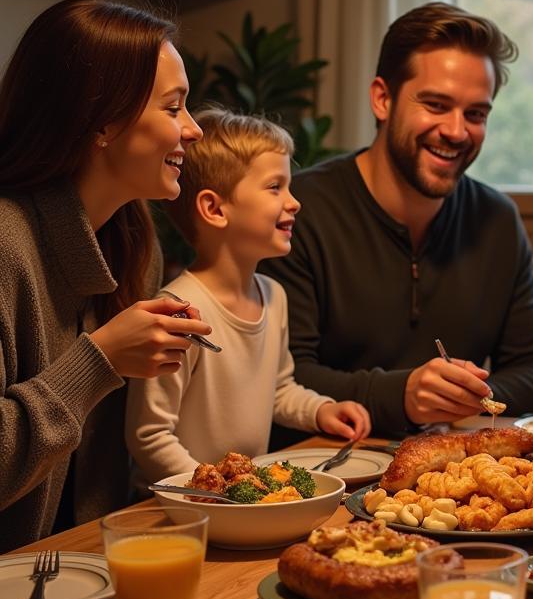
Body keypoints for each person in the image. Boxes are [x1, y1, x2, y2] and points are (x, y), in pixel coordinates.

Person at [259, 1, 533, 439]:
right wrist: (402, 395)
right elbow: (282, 376)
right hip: (322, 479)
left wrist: (465, 394)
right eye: (436, 105)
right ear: (382, 99)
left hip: (454, 486)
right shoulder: (298, 209)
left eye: (475, 114)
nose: (457, 131)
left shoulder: (496, 220)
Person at [0, 0, 213, 551]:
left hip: (88, 560)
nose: (193, 130)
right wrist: (98, 361)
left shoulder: (132, 245)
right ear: (101, 123)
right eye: (173, 108)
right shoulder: (6, 245)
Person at [126, 107, 371, 484]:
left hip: (245, 502)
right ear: (214, 208)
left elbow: (279, 390)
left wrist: (321, 410)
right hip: (183, 509)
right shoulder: (179, 313)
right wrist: (210, 486)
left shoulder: (274, 297)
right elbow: (150, 435)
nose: (294, 202)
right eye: (275, 187)